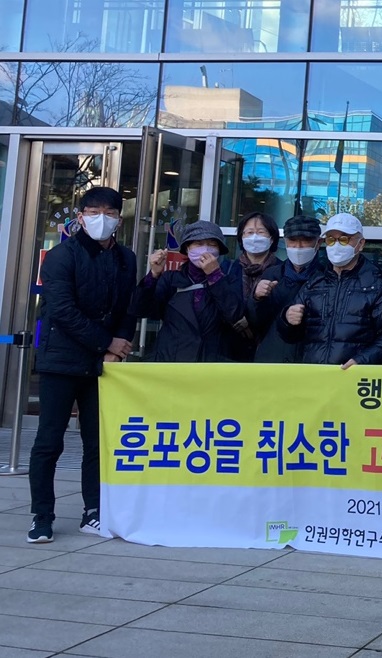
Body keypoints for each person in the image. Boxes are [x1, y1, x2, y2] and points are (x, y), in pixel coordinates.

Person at [26, 187, 137, 543]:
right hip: (61, 361)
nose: (101, 218)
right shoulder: (61, 256)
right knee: (49, 441)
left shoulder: (126, 258)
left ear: (119, 218)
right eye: (93, 211)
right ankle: (42, 515)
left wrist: (116, 349)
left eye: (109, 212)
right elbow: (62, 310)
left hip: (102, 366)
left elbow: (128, 308)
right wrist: (106, 342)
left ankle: (94, 511)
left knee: (97, 441)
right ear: (80, 216)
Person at [279, 213, 382, 367]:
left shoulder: (378, 287)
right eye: (331, 240)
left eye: (344, 239)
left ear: (360, 244)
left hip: (354, 376)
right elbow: (291, 336)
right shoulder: (314, 283)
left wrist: (361, 361)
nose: (336, 245)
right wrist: (287, 320)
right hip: (315, 375)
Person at [132, 221, 249, 362]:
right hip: (172, 360)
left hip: (212, 361)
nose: (205, 249)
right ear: (187, 248)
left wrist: (214, 276)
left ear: (219, 250)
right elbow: (140, 310)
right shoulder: (171, 279)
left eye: (212, 244)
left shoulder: (228, 279)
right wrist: (154, 275)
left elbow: (234, 314)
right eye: (198, 244)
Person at [250, 215, 324, 363]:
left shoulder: (327, 276)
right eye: (293, 240)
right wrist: (256, 298)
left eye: (306, 240)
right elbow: (255, 322)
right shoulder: (272, 274)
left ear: (318, 242)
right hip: (273, 359)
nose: (298, 246)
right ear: (285, 241)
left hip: (311, 360)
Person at [232, 212, 281, 361]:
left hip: (271, 351)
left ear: (271, 238)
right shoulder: (227, 269)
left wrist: (251, 320)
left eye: (260, 232)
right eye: (249, 232)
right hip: (231, 350)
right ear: (241, 237)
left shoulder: (283, 271)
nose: (254, 237)